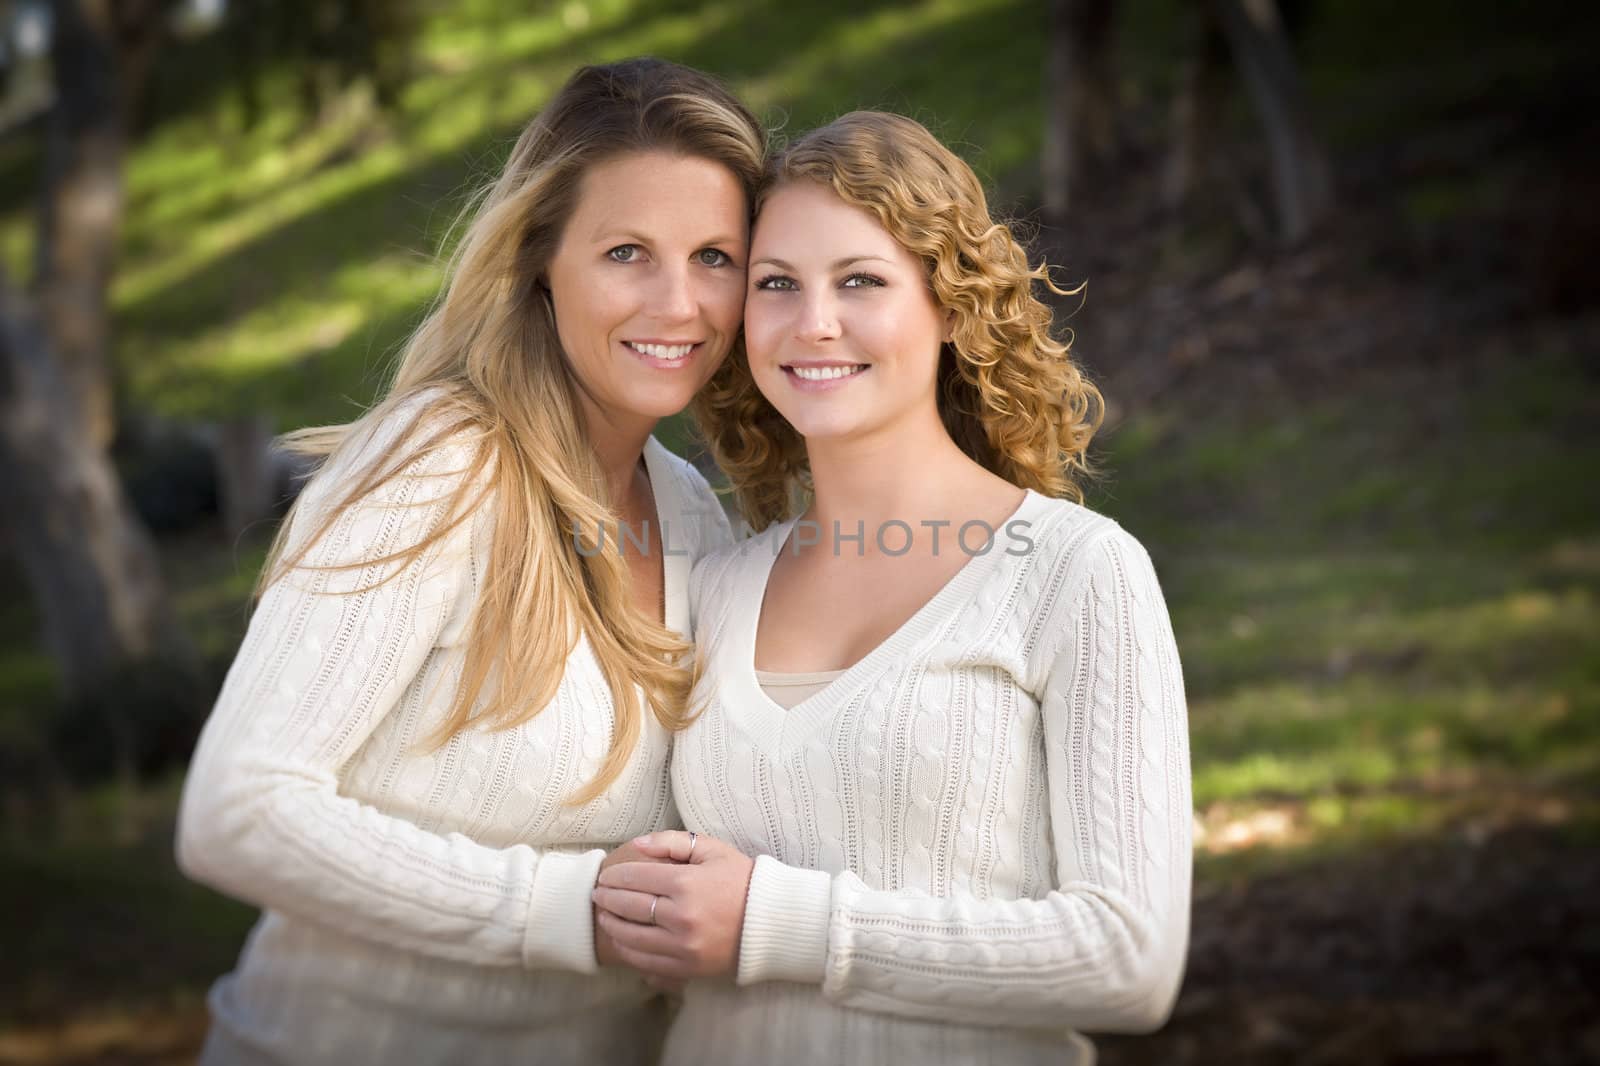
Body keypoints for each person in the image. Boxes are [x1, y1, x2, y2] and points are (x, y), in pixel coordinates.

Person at [175, 58, 765, 1065]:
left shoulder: (692, 515)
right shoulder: (442, 462)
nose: (681, 303)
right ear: (542, 260)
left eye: (715, 256)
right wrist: (567, 908)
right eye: (628, 252)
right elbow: (237, 811)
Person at [592, 111, 1193, 1065]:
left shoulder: (1077, 572)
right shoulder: (717, 582)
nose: (812, 323)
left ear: (950, 306)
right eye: (776, 284)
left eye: (861, 281)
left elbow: (1130, 961)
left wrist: (775, 923)